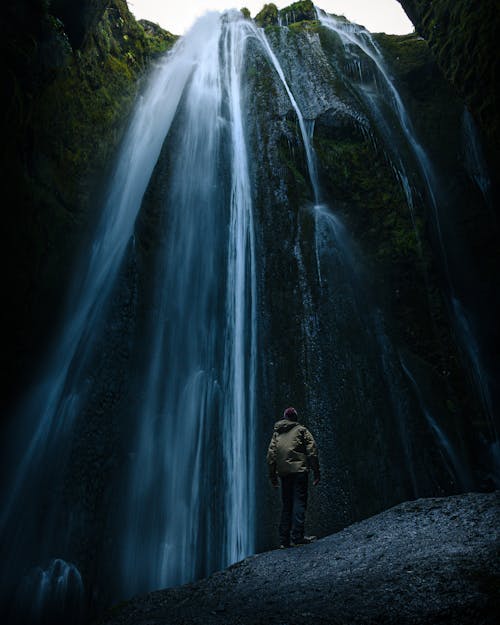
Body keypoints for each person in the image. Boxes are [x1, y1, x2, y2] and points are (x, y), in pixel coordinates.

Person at [266, 406, 320, 548]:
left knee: (287, 505)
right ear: (295, 418)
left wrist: (272, 477)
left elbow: (271, 457)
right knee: (299, 502)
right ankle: (297, 536)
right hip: (299, 472)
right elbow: (312, 451)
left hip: (284, 474)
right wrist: (316, 471)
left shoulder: (277, 434)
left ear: (285, 418)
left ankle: (284, 540)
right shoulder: (301, 430)